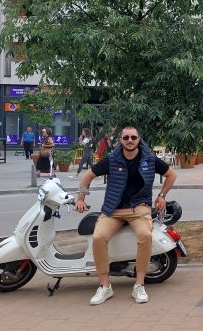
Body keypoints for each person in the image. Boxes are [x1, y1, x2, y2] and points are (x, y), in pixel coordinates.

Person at [74, 125, 177, 305]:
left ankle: (139, 285)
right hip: (113, 210)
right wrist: (81, 199)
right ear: (121, 140)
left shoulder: (149, 159)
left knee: (145, 235)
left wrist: (161, 196)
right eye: (126, 138)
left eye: (133, 137)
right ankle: (105, 286)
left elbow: (171, 174)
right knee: (98, 237)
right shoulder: (111, 159)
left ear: (138, 140)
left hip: (139, 209)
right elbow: (87, 177)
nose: (130, 141)